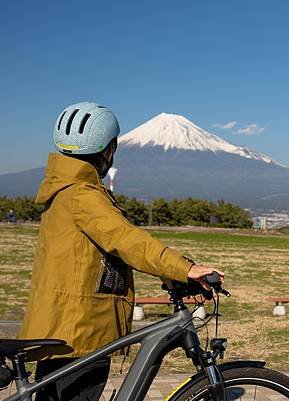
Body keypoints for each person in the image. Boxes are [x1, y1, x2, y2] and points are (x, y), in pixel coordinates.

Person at [18, 102, 223, 401]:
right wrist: (185, 268)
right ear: (108, 149)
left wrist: (167, 276)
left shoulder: (64, 188)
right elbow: (126, 239)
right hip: (81, 327)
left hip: (63, 322)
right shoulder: (82, 195)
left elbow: (99, 254)